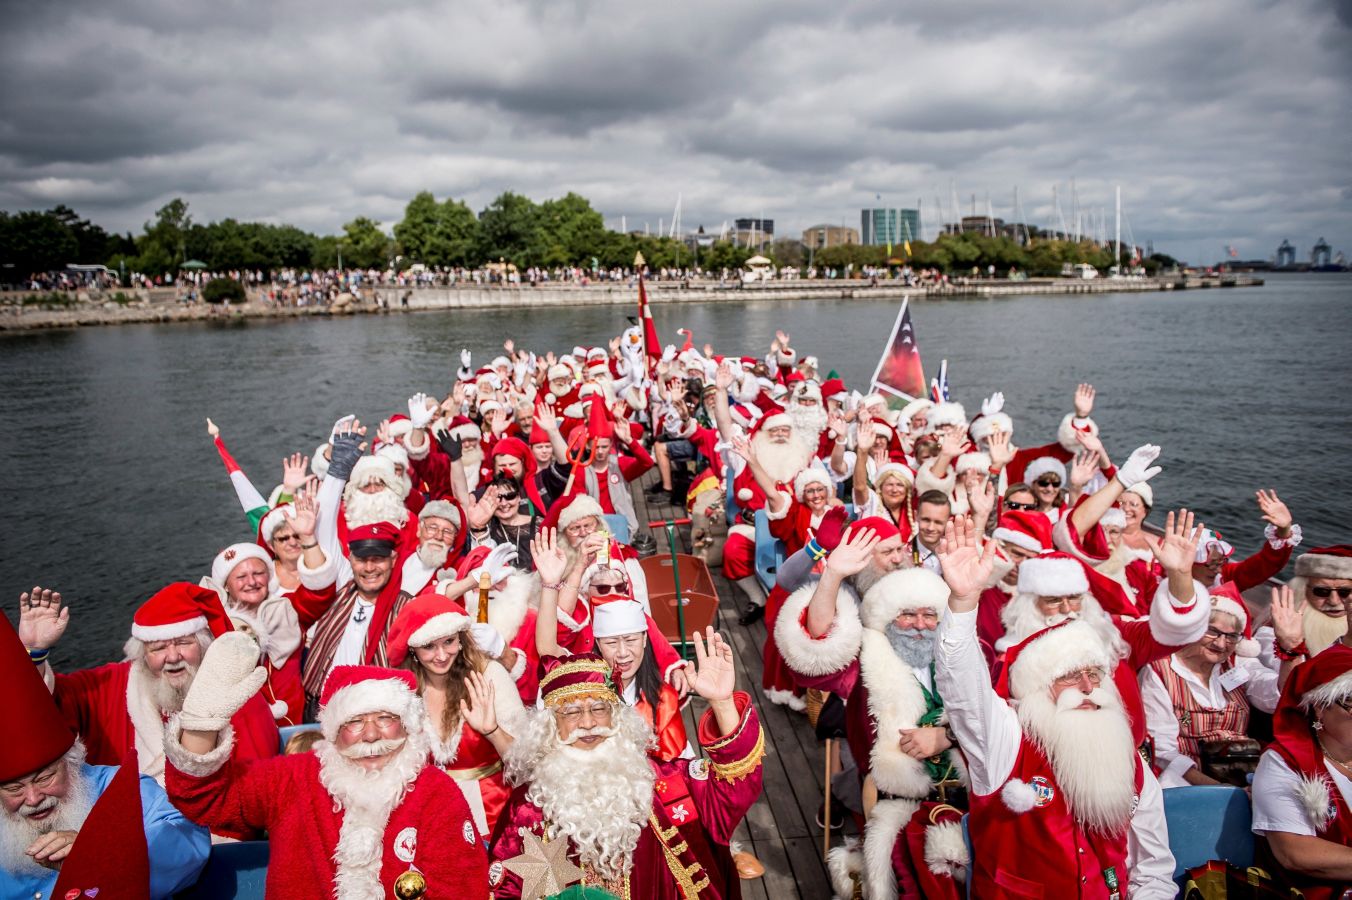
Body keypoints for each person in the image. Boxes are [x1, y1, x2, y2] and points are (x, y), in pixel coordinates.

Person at [933, 518, 1176, 897]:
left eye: (1094, 674)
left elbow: (1153, 868)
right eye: (1069, 676)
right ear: (1037, 689)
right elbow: (963, 690)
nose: (1087, 688)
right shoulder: (1006, 743)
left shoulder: (1128, 759)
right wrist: (963, 603)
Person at [166, 641, 489, 898]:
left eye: (385, 719)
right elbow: (205, 798)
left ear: (406, 725)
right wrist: (200, 727)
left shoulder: (436, 792)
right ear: (334, 731)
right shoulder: (293, 779)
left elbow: (463, 888)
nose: (371, 735)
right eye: (355, 721)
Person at [489, 637, 764, 898]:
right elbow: (507, 889)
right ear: (550, 725)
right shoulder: (529, 809)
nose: (588, 723)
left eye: (599, 708)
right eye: (571, 712)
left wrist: (722, 704)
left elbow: (733, 788)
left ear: (617, 717)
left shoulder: (665, 784)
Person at [775, 531, 969, 900]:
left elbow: (999, 713)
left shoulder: (963, 654)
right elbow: (817, 646)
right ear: (889, 617)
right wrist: (832, 576)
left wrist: (947, 735)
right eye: (907, 615)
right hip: (896, 803)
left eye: (929, 614)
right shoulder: (865, 658)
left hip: (968, 802)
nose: (919, 624)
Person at [1, 610, 208, 900]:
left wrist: (102, 852)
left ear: (72, 760)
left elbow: (190, 845)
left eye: (45, 778)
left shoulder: (125, 789)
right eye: (14, 789)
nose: (33, 799)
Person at [29, 584, 279, 790]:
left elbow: (254, 782)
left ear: (204, 645)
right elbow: (47, 706)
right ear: (142, 654)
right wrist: (35, 653)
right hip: (126, 820)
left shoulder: (236, 694)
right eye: (158, 648)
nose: (173, 657)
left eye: (184, 643)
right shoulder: (114, 684)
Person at [386, 593, 523, 837]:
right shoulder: (401, 690)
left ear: (460, 639)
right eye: (429, 646)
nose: (441, 655)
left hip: (490, 816)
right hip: (425, 817)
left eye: (449, 642)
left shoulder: (488, 676)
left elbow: (525, 761)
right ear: (413, 649)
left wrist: (492, 731)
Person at [1140, 586, 1295, 787]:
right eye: (1213, 631)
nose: (1221, 644)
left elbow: (1278, 696)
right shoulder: (1160, 670)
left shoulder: (1237, 663)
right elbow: (1163, 752)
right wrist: (1219, 790)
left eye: (1231, 636)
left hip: (1243, 774)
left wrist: (1290, 649)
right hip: (1184, 781)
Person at [298, 521, 415, 715]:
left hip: (375, 714)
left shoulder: (406, 608)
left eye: (378, 559)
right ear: (350, 559)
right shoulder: (339, 592)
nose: (369, 568)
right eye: (361, 559)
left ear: (393, 560)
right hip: (319, 708)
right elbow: (318, 573)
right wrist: (308, 537)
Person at [1286, 545, 1352, 658]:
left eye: (1344, 592)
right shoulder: (1273, 636)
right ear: (1302, 591)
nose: (1334, 602)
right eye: (1321, 591)